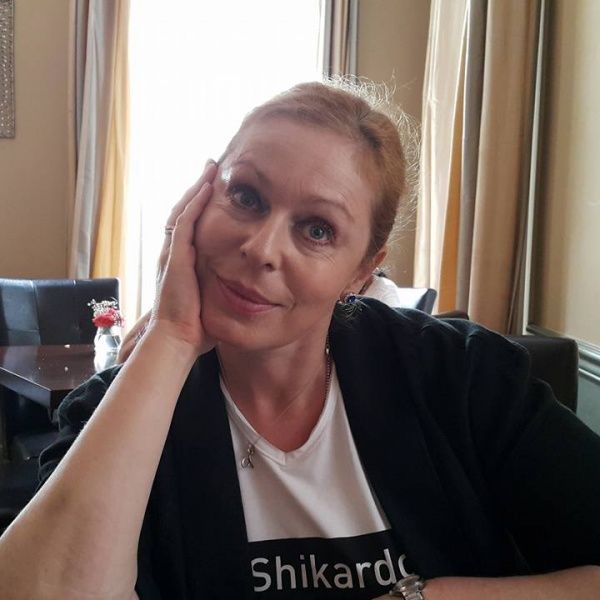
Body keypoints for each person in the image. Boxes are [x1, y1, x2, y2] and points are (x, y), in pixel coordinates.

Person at [0, 81, 599, 600]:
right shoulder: (124, 411)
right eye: (246, 196)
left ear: (362, 271)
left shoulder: (462, 376)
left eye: (317, 229)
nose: (261, 249)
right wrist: (172, 336)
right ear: (197, 202)